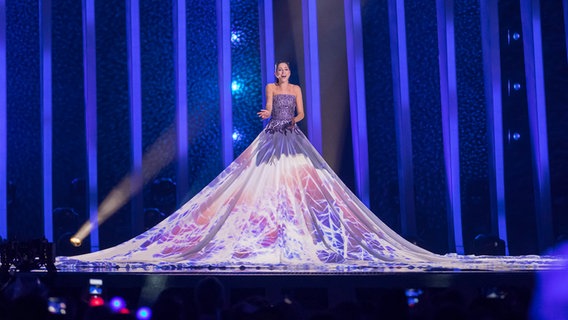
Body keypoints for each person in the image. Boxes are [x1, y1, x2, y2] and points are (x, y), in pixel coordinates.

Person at [56, 61, 559, 271]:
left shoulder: (292, 92)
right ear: (273, 75)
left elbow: (297, 113)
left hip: (289, 136)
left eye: (283, 71)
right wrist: (264, 115)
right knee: (254, 186)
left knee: (306, 188)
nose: (280, 76)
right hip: (269, 137)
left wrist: (286, 119)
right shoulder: (271, 90)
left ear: (290, 73)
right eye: (276, 73)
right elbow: (271, 108)